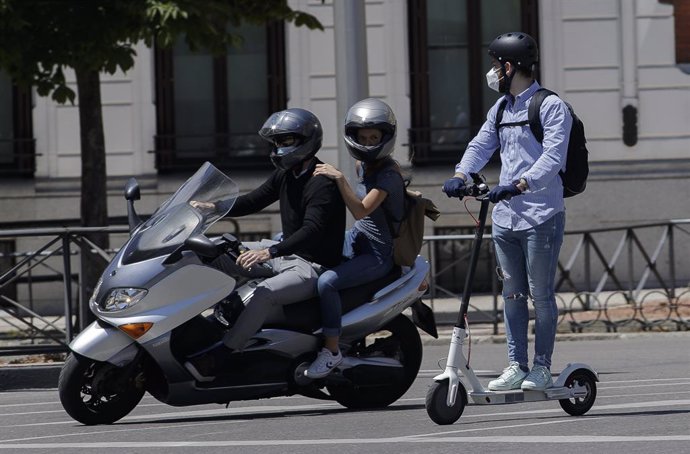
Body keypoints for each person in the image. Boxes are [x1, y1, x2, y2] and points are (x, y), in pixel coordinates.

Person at [442, 32, 571, 391]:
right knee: (512, 293)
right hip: (504, 216)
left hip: (541, 214)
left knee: (540, 294)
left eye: (496, 65)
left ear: (509, 66)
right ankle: (517, 365)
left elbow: (553, 158)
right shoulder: (501, 108)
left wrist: (520, 185)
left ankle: (542, 367)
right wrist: (460, 173)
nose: (493, 72)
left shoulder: (549, 106)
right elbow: (481, 143)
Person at [185, 108, 346, 380]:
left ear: (306, 140)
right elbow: (255, 200)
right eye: (276, 143)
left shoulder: (322, 182)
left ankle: (225, 353)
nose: (278, 148)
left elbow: (312, 229)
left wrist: (269, 251)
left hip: (311, 266)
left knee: (265, 293)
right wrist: (214, 207)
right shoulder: (288, 173)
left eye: (285, 142)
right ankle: (203, 324)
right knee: (214, 253)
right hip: (286, 253)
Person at [305, 98, 406, 378]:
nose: (369, 142)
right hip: (358, 239)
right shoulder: (364, 166)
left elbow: (361, 210)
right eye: (363, 137)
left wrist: (339, 179)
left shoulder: (387, 174)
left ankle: (332, 351)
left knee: (327, 283)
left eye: (374, 137)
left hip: (376, 253)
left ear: (386, 137)